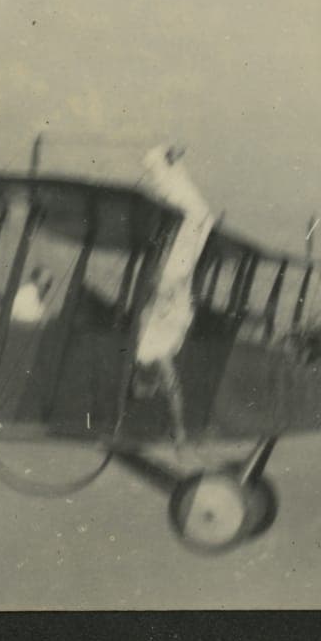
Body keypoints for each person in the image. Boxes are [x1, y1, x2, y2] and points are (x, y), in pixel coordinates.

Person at [132, 145, 216, 448]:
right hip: (175, 285)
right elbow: (172, 388)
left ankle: (160, 162)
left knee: (193, 220)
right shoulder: (153, 351)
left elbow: (172, 388)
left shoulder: (149, 350)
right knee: (198, 220)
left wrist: (178, 429)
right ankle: (168, 165)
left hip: (171, 283)